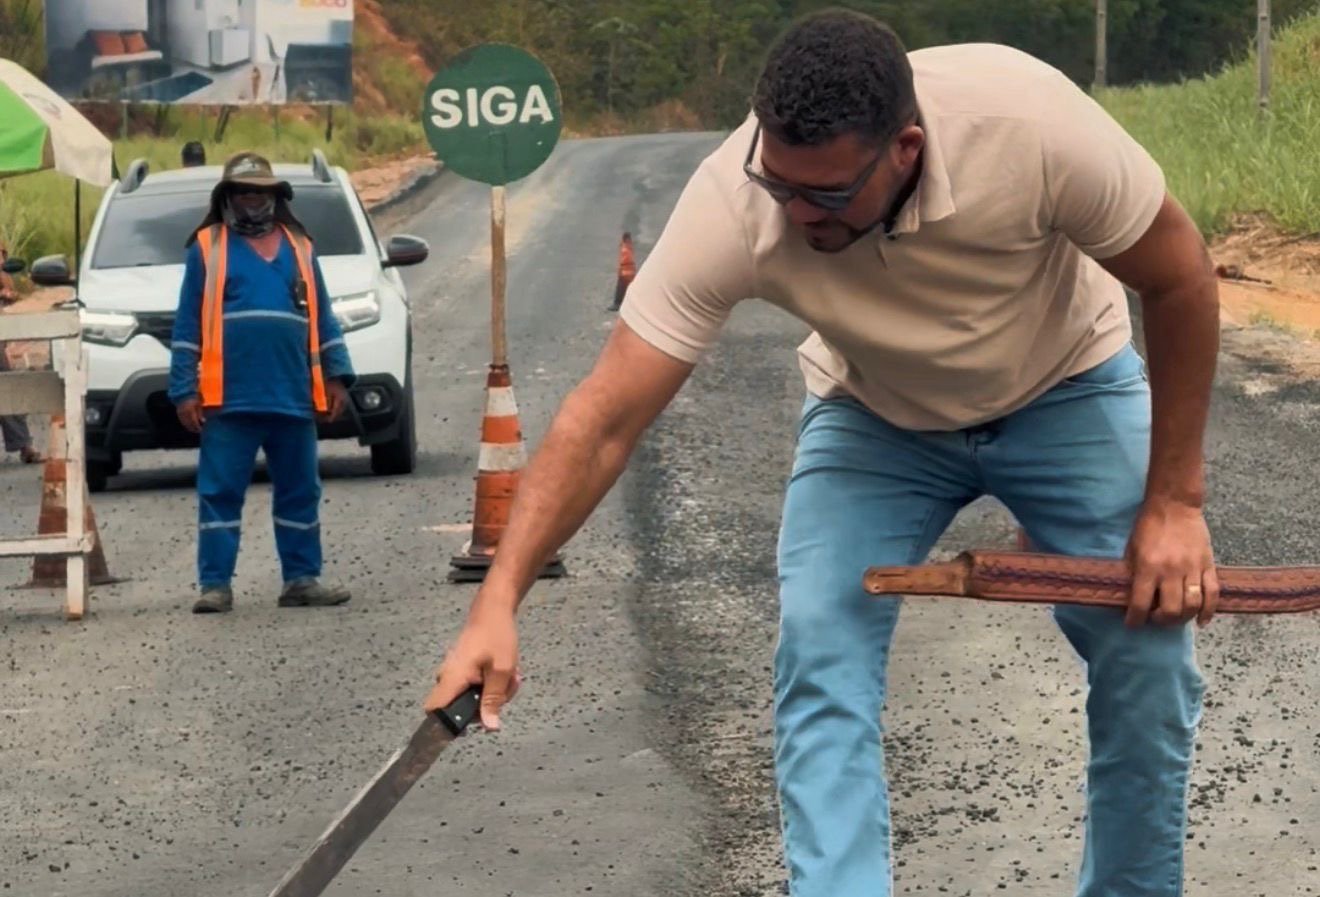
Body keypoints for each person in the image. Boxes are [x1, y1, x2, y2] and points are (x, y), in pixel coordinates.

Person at [426, 11, 1221, 897]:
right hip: (876, 416)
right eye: (781, 185)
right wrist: (497, 602)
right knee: (819, 650)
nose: (799, 213)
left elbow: (1181, 274)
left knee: (1150, 654)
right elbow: (604, 417)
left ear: (905, 149)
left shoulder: (1029, 124)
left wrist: (1174, 503)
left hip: (1067, 385)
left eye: (830, 194)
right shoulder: (736, 201)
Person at [169, 152, 355, 615]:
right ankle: (215, 586)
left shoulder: (300, 247)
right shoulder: (207, 247)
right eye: (243, 192)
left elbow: (324, 317)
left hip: (293, 395)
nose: (253, 199)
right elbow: (187, 325)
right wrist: (184, 390)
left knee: (300, 491)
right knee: (220, 493)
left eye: (261, 192)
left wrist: (337, 378)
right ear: (227, 198)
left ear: (275, 197)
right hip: (228, 400)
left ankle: (302, 580)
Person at [0, 238, 42, 465]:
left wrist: (9, 296)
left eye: (2, 255)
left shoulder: (4, 277)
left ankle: (24, 444)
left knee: (8, 386)